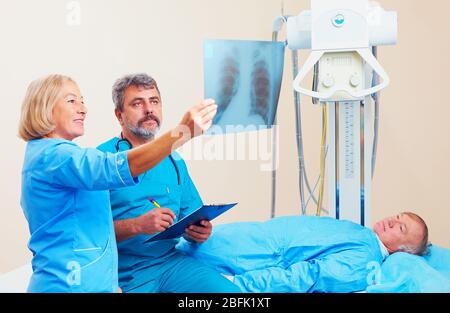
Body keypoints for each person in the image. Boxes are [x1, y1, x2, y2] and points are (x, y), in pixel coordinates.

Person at [18, 74, 217, 293]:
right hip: (72, 283)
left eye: (82, 101)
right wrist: (181, 133)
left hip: (106, 280)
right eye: (72, 100)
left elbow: (91, 230)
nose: (83, 109)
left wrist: (110, 285)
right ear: (44, 107)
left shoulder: (57, 155)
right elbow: (116, 168)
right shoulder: (57, 157)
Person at [97, 73, 241, 293]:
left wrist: (197, 231)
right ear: (119, 115)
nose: (149, 109)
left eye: (154, 101)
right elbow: (88, 232)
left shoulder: (174, 162)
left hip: (170, 263)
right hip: (125, 272)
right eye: (138, 103)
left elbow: (190, 215)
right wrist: (137, 225)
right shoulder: (102, 161)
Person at [177, 212, 429, 293]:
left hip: (250, 257)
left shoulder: (363, 261)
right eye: (396, 216)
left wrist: (238, 286)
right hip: (250, 238)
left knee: (171, 264)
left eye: (400, 227)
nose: (391, 221)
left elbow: (305, 277)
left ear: (402, 250)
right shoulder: (361, 233)